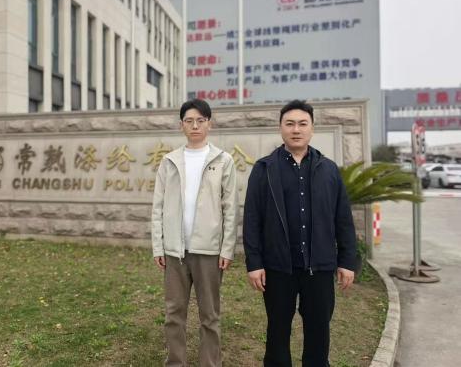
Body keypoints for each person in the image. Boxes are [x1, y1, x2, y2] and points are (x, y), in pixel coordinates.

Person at [243, 99, 356, 367]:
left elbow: (343, 218)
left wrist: (347, 261)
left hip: (320, 267)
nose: (296, 129)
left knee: (319, 331)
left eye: (302, 124)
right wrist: (254, 263)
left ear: (312, 128)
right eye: (290, 124)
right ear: (280, 128)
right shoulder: (264, 169)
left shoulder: (329, 169)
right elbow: (252, 218)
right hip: (278, 267)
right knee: (277, 330)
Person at [151, 98, 238, 367]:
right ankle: (175, 362)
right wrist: (158, 246)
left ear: (209, 124)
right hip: (174, 251)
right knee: (173, 314)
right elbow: (157, 207)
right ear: (182, 125)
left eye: (200, 120)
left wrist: (227, 249)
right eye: (189, 121)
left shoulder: (223, 160)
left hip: (208, 251)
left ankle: (210, 363)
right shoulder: (169, 161)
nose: (195, 125)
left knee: (209, 315)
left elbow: (230, 208)